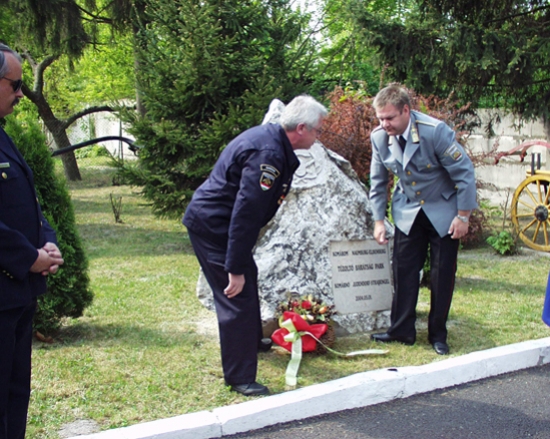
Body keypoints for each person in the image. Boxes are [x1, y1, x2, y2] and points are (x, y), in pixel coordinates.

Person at [183, 95, 327, 396]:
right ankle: (240, 377)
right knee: (235, 295)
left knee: (248, 281)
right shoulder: (269, 154)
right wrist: (234, 268)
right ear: (301, 128)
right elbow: (246, 211)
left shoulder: (273, 141)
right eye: (318, 130)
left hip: (224, 225)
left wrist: (241, 265)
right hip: (214, 227)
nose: (319, 136)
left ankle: (249, 342)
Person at [368, 84, 477, 355]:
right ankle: (401, 330)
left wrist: (463, 216)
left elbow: (464, 173)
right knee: (403, 270)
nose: (384, 124)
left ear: (406, 110)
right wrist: (379, 220)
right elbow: (378, 182)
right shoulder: (380, 138)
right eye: (380, 118)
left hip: (443, 210)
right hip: (408, 211)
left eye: (390, 118)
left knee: (441, 275)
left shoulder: (434, 131)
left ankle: (438, 334)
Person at [0, 43, 64, 438]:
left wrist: (48, 243)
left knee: (15, 394)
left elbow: (26, 201)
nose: (21, 93)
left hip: (17, 293)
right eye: (15, 85)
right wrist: (29, 257)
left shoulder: (2, 135)